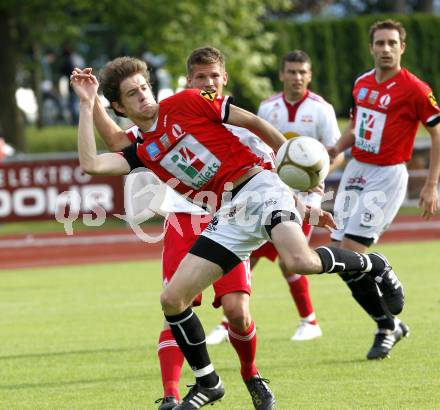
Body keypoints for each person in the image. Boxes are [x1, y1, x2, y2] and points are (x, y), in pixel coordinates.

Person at [71, 56, 403, 409]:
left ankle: (374, 265)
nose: (144, 97)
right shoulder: (140, 148)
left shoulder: (186, 100)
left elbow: (253, 121)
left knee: (299, 261)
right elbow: (92, 163)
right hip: (228, 214)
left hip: (261, 185)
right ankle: (208, 381)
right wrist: (87, 103)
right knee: (171, 300)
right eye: (133, 95)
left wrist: (290, 156)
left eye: (145, 88)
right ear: (120, 106)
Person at [84, 47, 277, 410]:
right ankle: (171, 394)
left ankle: (251, 374)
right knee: (175, 303)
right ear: (190, 82)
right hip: (182, 217)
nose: (208, 83)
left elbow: (267, 164)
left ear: (225, 80)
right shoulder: (176, 108)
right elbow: (115, 143)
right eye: (200, 78)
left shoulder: (239, 125)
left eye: (214, 77)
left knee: (237, 310)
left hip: (231, 215)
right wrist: (92, 99)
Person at [206, 50, 345, 343]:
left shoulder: (322, 109)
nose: (297, 77)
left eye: (302, 72)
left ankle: (310, 320)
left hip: (307, 195)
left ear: (309, 75)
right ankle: (228, 320)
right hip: (269, 190)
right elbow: (257, 145)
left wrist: (315, 177)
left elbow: (338, 155)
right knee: (248, 254)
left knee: (290, 259)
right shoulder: (268, 108)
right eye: (291, 72)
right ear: (281, 74)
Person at [328, 19, 440, 360]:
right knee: (339, 260)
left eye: (393, 43)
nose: (386, 49)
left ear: (402, 48)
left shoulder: (417, 90)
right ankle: (388, 323)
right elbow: (357, 127)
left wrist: (431, 185)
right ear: (371, 47)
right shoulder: (361, 83)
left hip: (387, 176)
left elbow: (437, 134)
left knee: (349, 252)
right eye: (380, 43)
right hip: (355, 171)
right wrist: (331, 151)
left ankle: (382, 279)